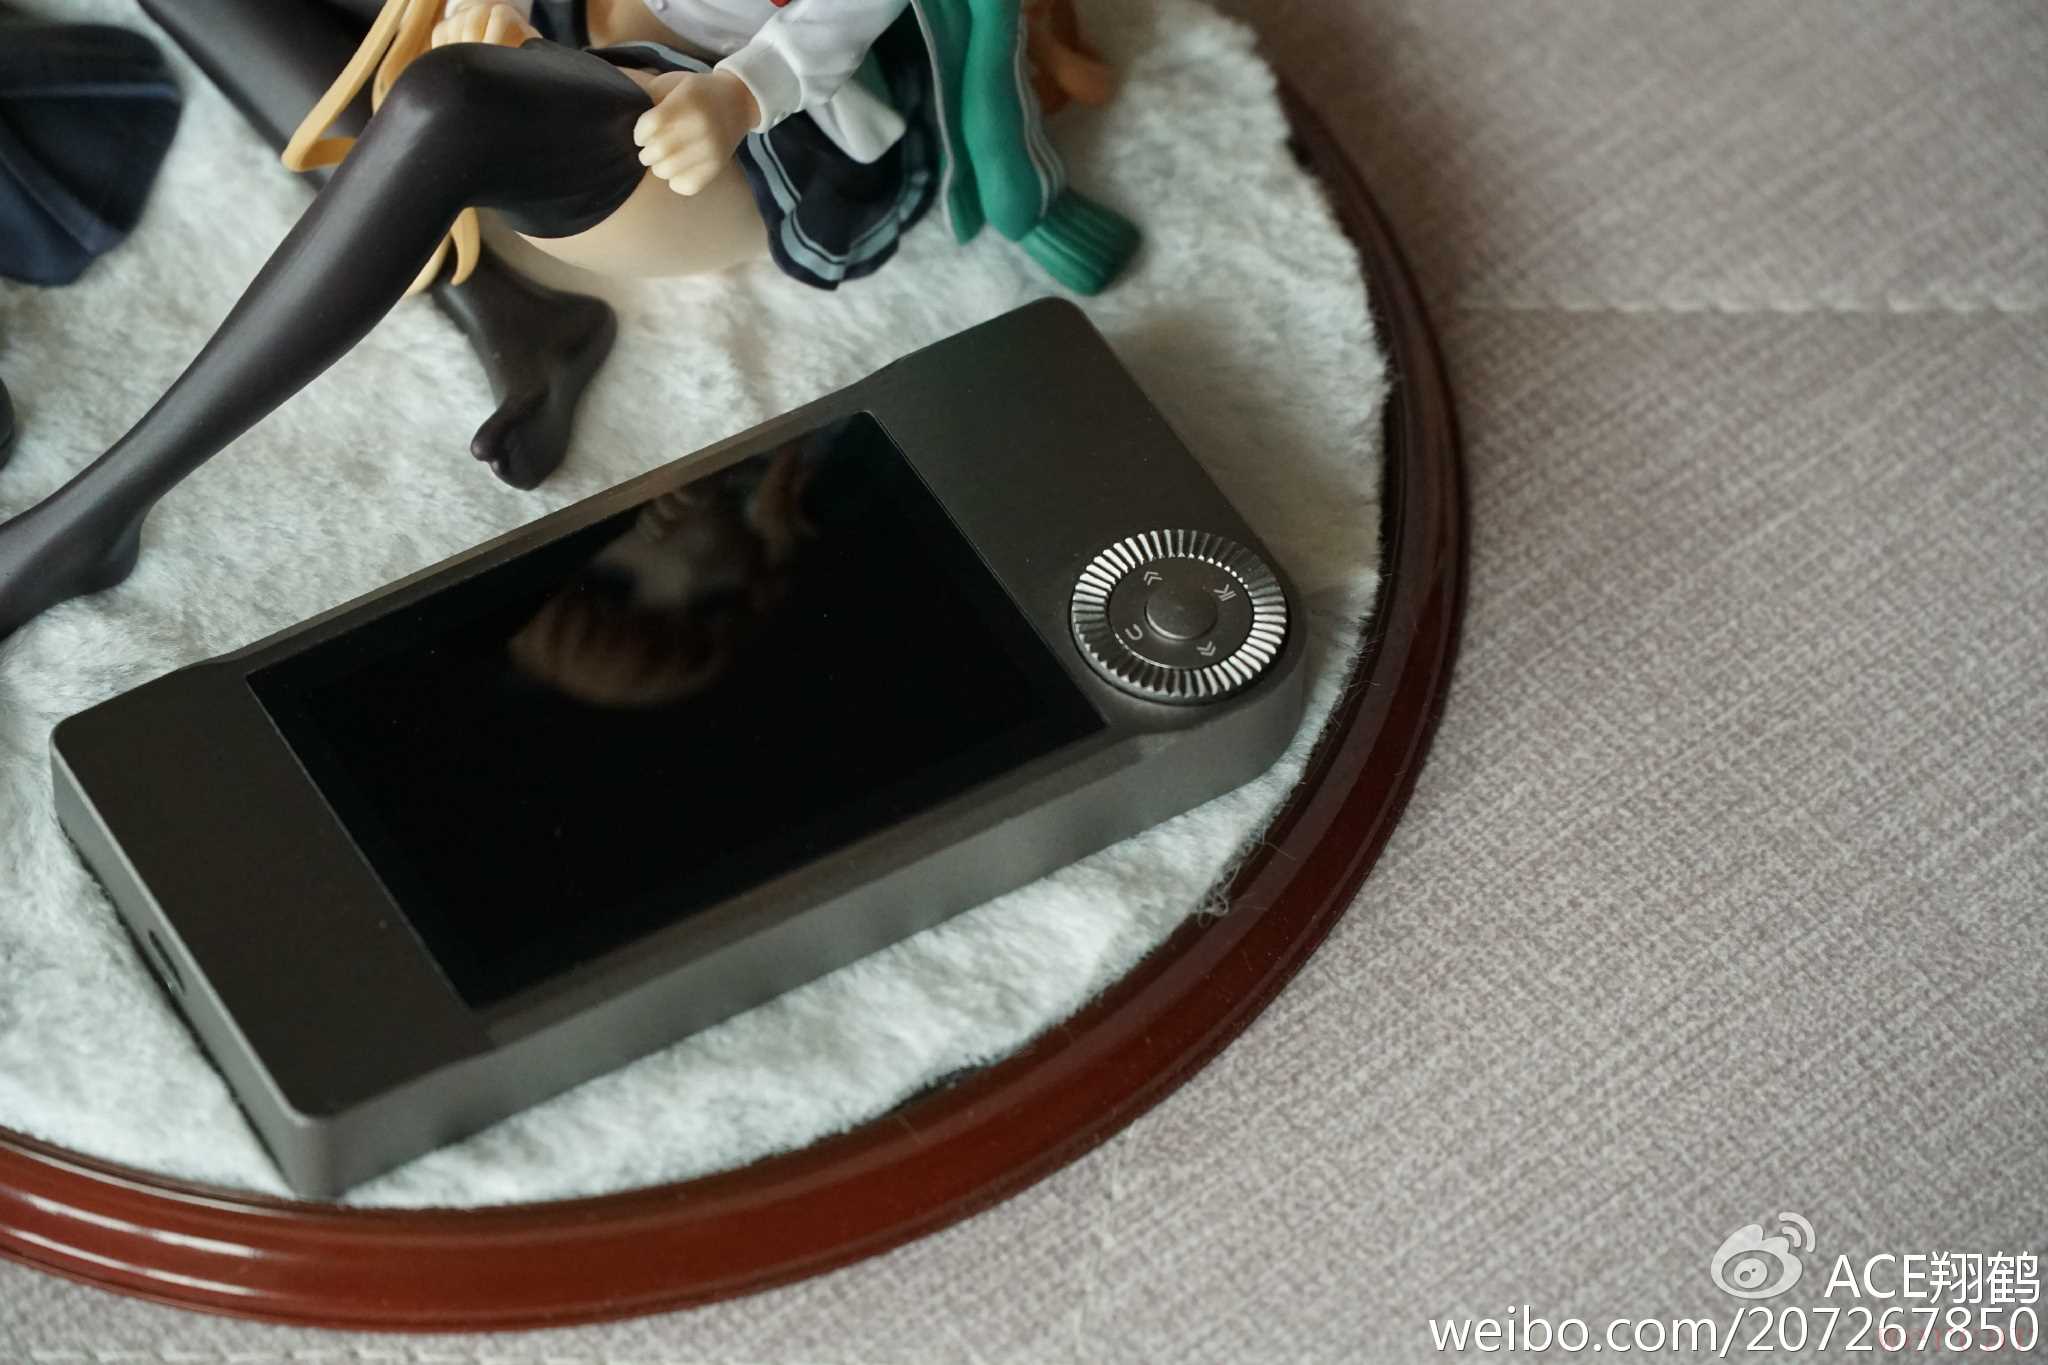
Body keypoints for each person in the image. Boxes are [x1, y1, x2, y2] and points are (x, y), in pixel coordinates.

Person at [0, 0, 1133, 641]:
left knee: (449, 104)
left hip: (719, 121)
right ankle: (506, 306)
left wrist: (740, 92)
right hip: (567, 22)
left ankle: (89, 519)